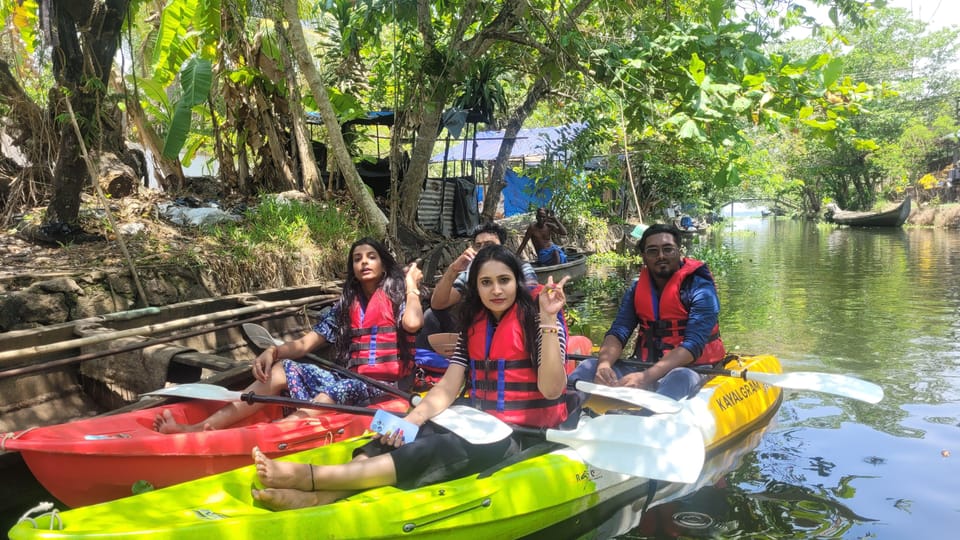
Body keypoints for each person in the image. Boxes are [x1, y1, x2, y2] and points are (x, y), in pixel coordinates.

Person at [250, 245, 570, 510]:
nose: (496, 290)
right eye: (486, 282)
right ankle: (323, 496)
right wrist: (412, 421)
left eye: (504, 280)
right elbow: (447, 387)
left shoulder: (539, 320)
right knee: (391, 432)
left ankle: (310, 478)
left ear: (517, 281)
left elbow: (553, 390)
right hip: (477, 421)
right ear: (476, 287)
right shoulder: (473, 322)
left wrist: (549, 318)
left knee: (431, 450)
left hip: (522, 433)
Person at [154, 237, 424, 433]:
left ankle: (276, 433)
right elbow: (307, 343)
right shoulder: (345, 307)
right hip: (351, 381)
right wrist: (274, 351)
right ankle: (201, 427)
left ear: (384, 265)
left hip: (385, 388)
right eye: (357, 258)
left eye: (371, 256)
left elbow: (412, 323)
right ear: (352, 268)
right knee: (281, 370)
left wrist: (411, 286)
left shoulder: (398, 296)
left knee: (332, 392)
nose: (364, 262)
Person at [569, 223, 726, 403]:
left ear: (679, 252)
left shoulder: (700, 289)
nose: (661, 256)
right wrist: (604, 366)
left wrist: (645, 377)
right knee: (589, 365)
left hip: (691, 368)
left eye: (668, 249)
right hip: (644, 364)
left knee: (679, 377)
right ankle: (564, 416)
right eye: (652, 251)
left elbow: (693, 345)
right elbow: (619, 331)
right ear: (643, 257)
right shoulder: (637, 289)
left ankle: (648, 419)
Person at [414, 222, 538, 387]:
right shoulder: (470, 274)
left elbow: (529, 298)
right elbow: (438, 303)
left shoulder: (521, 268)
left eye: (489, 245)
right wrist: (453, 270)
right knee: (432, 315)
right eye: (478, 246)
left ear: (503, 247)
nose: (483, 250)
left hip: (511, 329)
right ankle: (429, 370)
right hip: (477, 328)